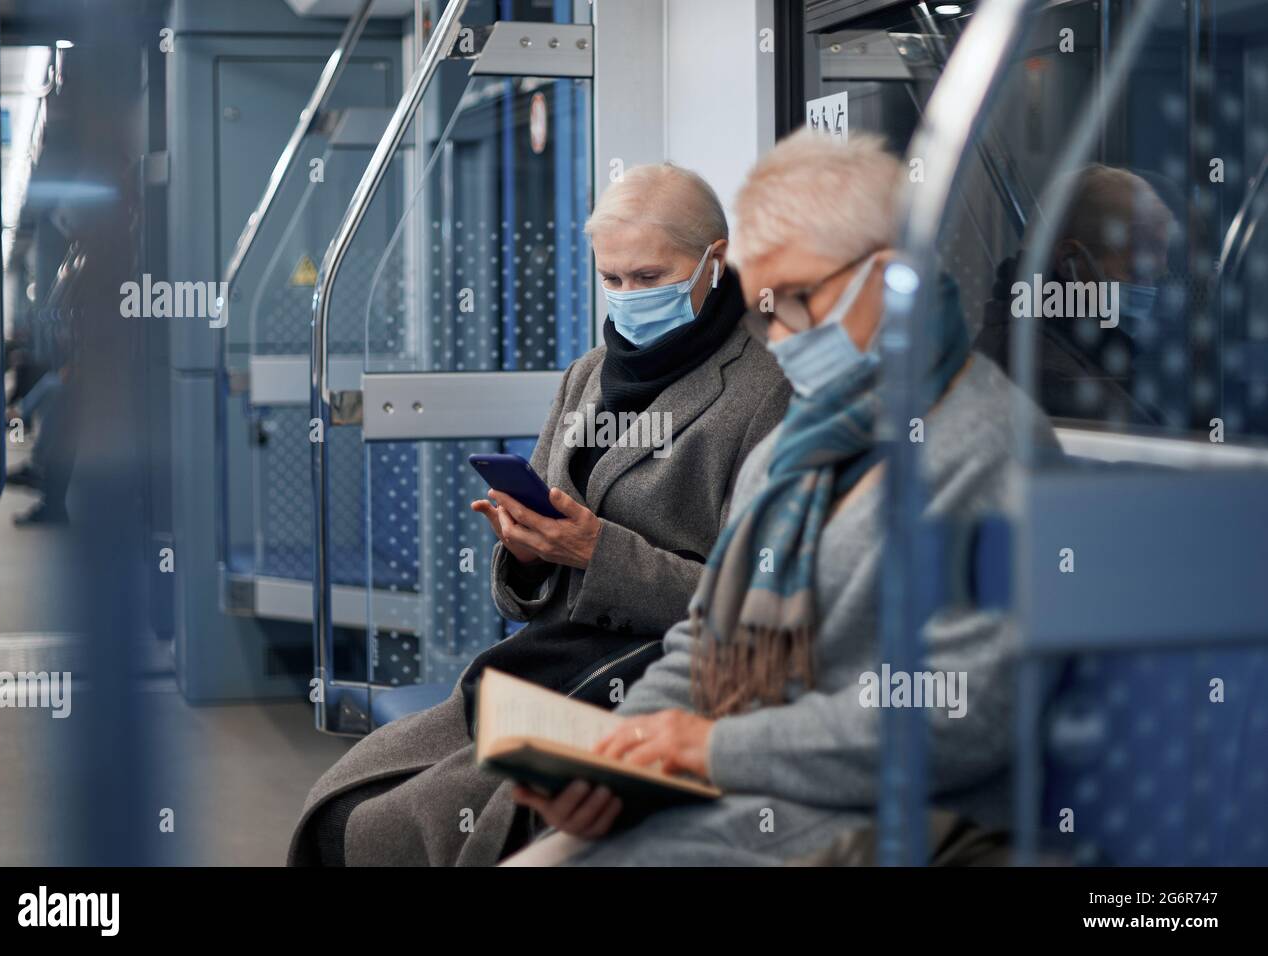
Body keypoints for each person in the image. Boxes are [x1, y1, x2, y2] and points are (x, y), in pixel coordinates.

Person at [500, 131, 1060, 866]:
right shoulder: (795, 450)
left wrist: (714, 746)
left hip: (899, 817)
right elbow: (706, 643)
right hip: (757, 790)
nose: (781, 335)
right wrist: (621, 755)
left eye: (797, 299)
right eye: (766, 307)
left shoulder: (992, 452)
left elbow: (960, 717)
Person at [289, 163, 790, 866]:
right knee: (344, 806)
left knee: (389, 829)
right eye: (611, 279)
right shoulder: (587, 376)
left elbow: (751, 606)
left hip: (650, 680)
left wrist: (595, 551)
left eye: (648, 278)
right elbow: (531, 592)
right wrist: (525, 552)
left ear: (715, 258)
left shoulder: (762, 393)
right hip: (550, 660)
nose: (626, 298)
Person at [974, 163, 1176, 427]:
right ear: (1071, 261)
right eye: (1137, 272)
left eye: (1154, 277)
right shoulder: (1050, 375)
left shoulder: (1077, 348)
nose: (1149, 292)